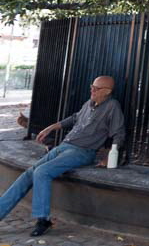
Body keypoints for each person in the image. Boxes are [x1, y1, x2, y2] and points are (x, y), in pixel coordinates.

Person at [0, 75, 125, 237]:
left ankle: (43, 219)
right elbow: (74, 118)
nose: (92, 90)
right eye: (92, 86)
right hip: (64, 146)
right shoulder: (89, 103)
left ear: (107, 91)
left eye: (97, 88)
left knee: (42, 172)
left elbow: (119, 133)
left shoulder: (112, 107)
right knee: (28, 173)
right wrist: (51, 127)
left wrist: (110, 155)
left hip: (82, 151)